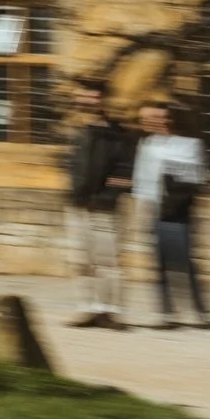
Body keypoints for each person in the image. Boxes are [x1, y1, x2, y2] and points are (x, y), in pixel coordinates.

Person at [131, 100, 208, 330]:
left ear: (169, 119)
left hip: (178, 211)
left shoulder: (189, 144)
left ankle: (198, 312)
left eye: (158, 117)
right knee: (160, 263)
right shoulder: (147, 144)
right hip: (154, 209)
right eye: (149, 118)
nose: (153, 121)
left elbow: (195, 177)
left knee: (184, 262)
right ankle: (166, 312)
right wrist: (142, 208)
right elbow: (142, 178)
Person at [65, 78, 134, 329]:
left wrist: (107, 197)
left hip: (104, 207)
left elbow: (125, 170)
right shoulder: (74, 131)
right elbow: (69, 165)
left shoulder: (116, 134)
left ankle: (111, 311)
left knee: (109, 260)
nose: (87, 100)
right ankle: (87, 308)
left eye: (93, 96)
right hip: (77, 205)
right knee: (79, 259)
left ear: (102, 99)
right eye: (84, 96)